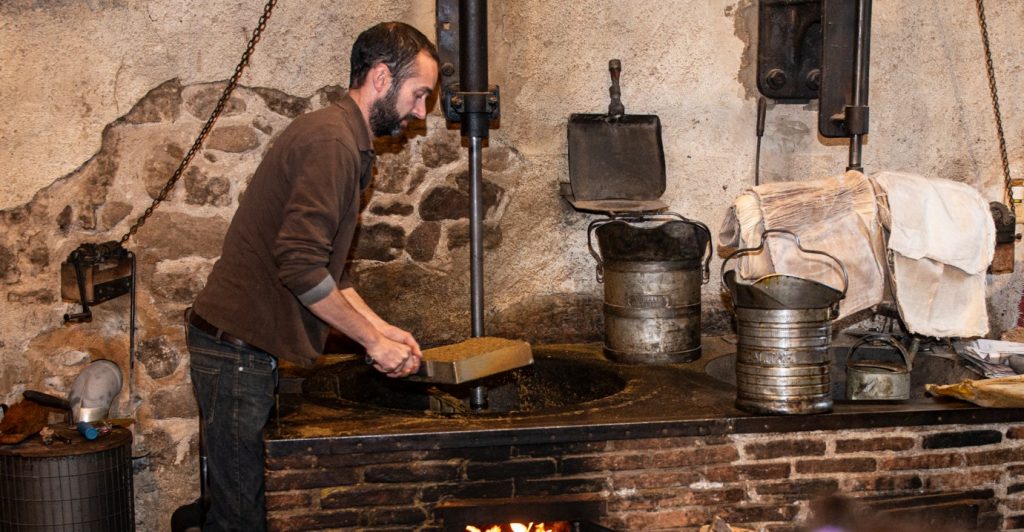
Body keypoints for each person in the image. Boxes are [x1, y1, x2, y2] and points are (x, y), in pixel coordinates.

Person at [184, 22, 439, 531]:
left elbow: (330, 275)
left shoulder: (343, 138)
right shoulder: (332, 144)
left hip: (240, 352)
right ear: (382, 78)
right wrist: (372, 343)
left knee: (239, 511)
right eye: (419, 94)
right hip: (235, 353)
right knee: (239, 520)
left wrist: (383, 329)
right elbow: (299, 266)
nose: (421, 113)